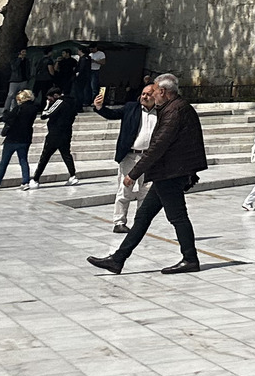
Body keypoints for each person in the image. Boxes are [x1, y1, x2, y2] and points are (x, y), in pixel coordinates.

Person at [87, 74, 209, 276]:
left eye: (154, 91)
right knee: (143, 217)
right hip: (168, 172)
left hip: (171, 173)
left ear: (162, 91)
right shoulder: (174, 108)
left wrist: (133, 174)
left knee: (177, 217)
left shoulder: (175, 111)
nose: (152, 95)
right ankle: (117, 260)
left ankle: (190, 259)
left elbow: (158, 146)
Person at [92, 80, 158, 231]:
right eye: (143, 94)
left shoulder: (161, 112)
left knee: (146, 191)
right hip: (130, 156)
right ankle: (119, 222)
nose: (145, 97)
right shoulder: (131, 108)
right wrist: (99, 107)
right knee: (124, 189)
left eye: (149, 94)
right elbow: (112, 114)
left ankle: (141, 223)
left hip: (150, 158)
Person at [0, 88, 37, 191]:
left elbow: (8, 118)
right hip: (25, 138)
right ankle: (25, 182)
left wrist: (4, 115)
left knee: (4, 162)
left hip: (12, 138)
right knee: (23, 160)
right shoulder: (34, 109)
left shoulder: (18, 108)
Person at [32, 84, 84, 185]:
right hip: (67, 132)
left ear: (56, 95)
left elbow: (44, 115)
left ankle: (35, 179)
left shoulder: (60, 102)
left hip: (55, 134)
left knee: (45, 156)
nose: (50, 100)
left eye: (50, 98)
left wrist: (47, 105)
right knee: (66, 155)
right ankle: (73, 176)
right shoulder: (72, 102)